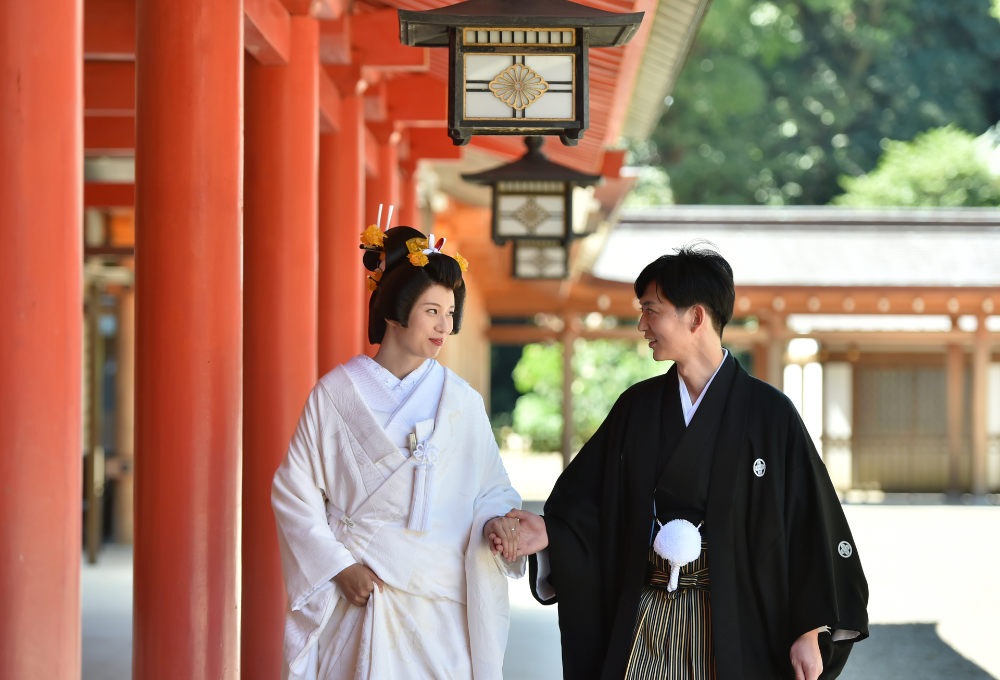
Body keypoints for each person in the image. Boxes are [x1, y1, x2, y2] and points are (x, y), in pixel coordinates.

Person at [510, 245, 869, 680]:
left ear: (695, 317)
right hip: (645, 618)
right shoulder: (637, 408)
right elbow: (587, 501)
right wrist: (551, 533)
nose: (642, 324)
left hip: (734, 626)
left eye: (651, 310)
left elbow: (808, 524)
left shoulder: (770, 414)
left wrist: (808, 628)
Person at [271, 217, 525, 680]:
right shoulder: (335, 394)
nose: (445, 325)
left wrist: (496, 522)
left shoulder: (461, 401)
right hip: (360, 590)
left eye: (450, 312)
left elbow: (492, 487)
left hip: (439, 603)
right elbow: (294, 491)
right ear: (393, 311)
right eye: (432, 310)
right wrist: (338, 567)